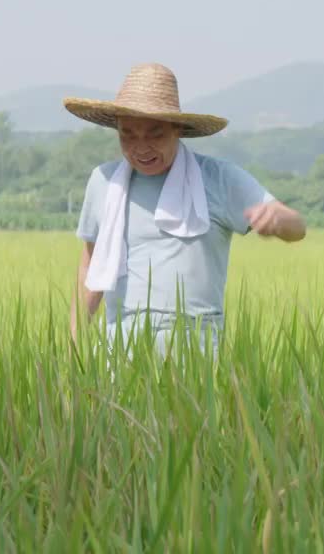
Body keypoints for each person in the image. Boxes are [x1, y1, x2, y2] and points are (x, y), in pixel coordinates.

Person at [64, 62, 306, 357]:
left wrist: (280, 220)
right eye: (128, 134)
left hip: (198, 351)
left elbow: (298, 229)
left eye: (155, 134)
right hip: (121, 349)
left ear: (177, 129)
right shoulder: (104, 183)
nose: (141, 147)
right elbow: (91, 265)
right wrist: (74, 345)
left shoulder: (219, 178)